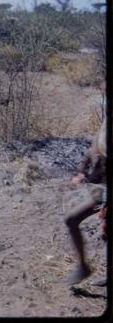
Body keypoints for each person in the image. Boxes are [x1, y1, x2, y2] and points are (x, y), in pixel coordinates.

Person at [65, 117, 107, 286]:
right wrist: (82, 172)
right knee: (71, 220)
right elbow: (96, 146)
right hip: (102, 188)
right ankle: (83, 267)